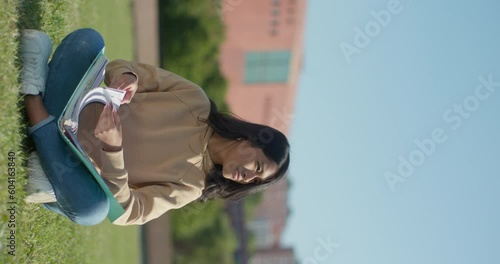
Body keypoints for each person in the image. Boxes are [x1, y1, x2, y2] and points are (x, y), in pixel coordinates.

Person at [21, 28, 290, 226]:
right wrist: (127, 79)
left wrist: (113, 149)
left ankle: (33, 97)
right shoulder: (194, 100)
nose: (248, 178)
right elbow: (121, 67)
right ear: (248, 140)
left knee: (92, 210)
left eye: (256, 181)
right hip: (74, 104)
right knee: (90, 41)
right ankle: (47, 164)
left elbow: (130, 212)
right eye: (256, 167)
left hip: (75, 163)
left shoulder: (190, 187)